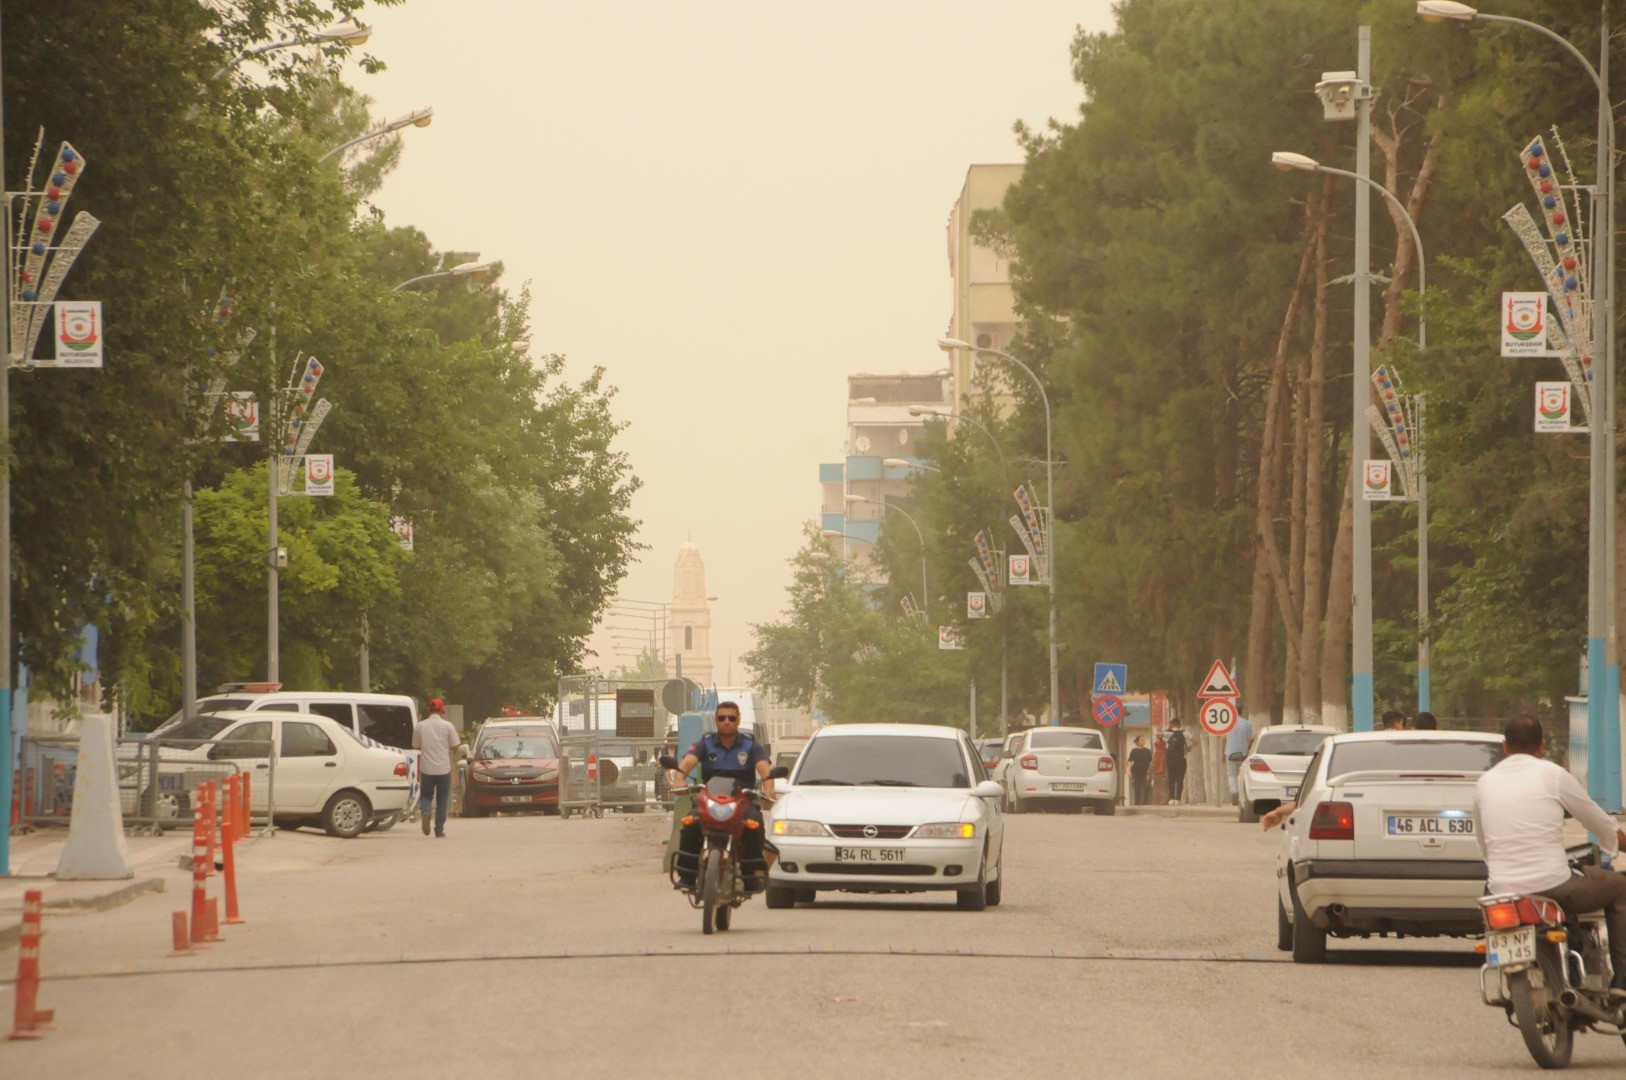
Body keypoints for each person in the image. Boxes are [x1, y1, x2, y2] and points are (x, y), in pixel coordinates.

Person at [1474, 715, 1626, 990]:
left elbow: (1484, 842)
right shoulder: (1553, 775)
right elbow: (1598, 822)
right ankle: (1622, 982)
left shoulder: (1485, 782)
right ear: (1542, 746)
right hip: (1554, 885)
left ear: (1505, 747)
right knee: (1620, 887)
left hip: (1501, 889)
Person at [669, 701, 774, 891]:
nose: (726, 722)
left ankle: (751, 875)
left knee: (754, 824)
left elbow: (765, 771)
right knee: (690, 823)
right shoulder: (705, 744)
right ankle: (688, 875)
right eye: (722, 718)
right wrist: (679, 780)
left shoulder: (751, 746)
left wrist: (768, 790)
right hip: (710, 799)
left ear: (738, 720)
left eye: (731, 718)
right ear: (716, 720)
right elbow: (686, 764)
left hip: (742, 800)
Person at [412, 698, 461, 838]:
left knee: (426, 796)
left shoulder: (420, 726)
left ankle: (426, 812)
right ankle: (439, 830)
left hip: (426, 768)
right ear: (441, 710)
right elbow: (455, 746)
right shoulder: (448, 726)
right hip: (443, 769)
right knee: (442, 799)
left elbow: (415, 745)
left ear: (429, 709)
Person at [1225, 714, 1255, 806]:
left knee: (1232, 775)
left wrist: (1223, 753)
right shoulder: (1247, 723)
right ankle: (1243, 796)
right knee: (1243, 775)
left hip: (1230, 753)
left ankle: (1234, 792)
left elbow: (1223, 739)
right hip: (1243, 754)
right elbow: (1250, 739)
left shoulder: (1227, 723)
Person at [1165, 717, 1189, 805]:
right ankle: (1178, 799)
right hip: (1181, 759)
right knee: (1180, 779)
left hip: (1170, 760)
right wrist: (1190, 747)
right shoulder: (1185, 733)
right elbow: (1195, 740)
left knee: (1171, 778)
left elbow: (1158, 735)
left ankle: (1171, 798)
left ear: (1171, 724)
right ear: (1179, 724)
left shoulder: (1168, 733)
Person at [1128, 735, 1153, 807]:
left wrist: (1150, 772)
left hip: (1145, 773)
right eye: (1142, 740)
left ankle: (1144, 804)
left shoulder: (1147, 751)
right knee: (1137, 789)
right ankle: (1137, 804)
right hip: (1136, 772)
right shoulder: (1134, 751)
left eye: (1144, 740)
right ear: (1138, 742)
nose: (1144, 741)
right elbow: (1130, 762)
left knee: (1146, 788)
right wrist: (1129, 772)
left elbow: (1150, 762)